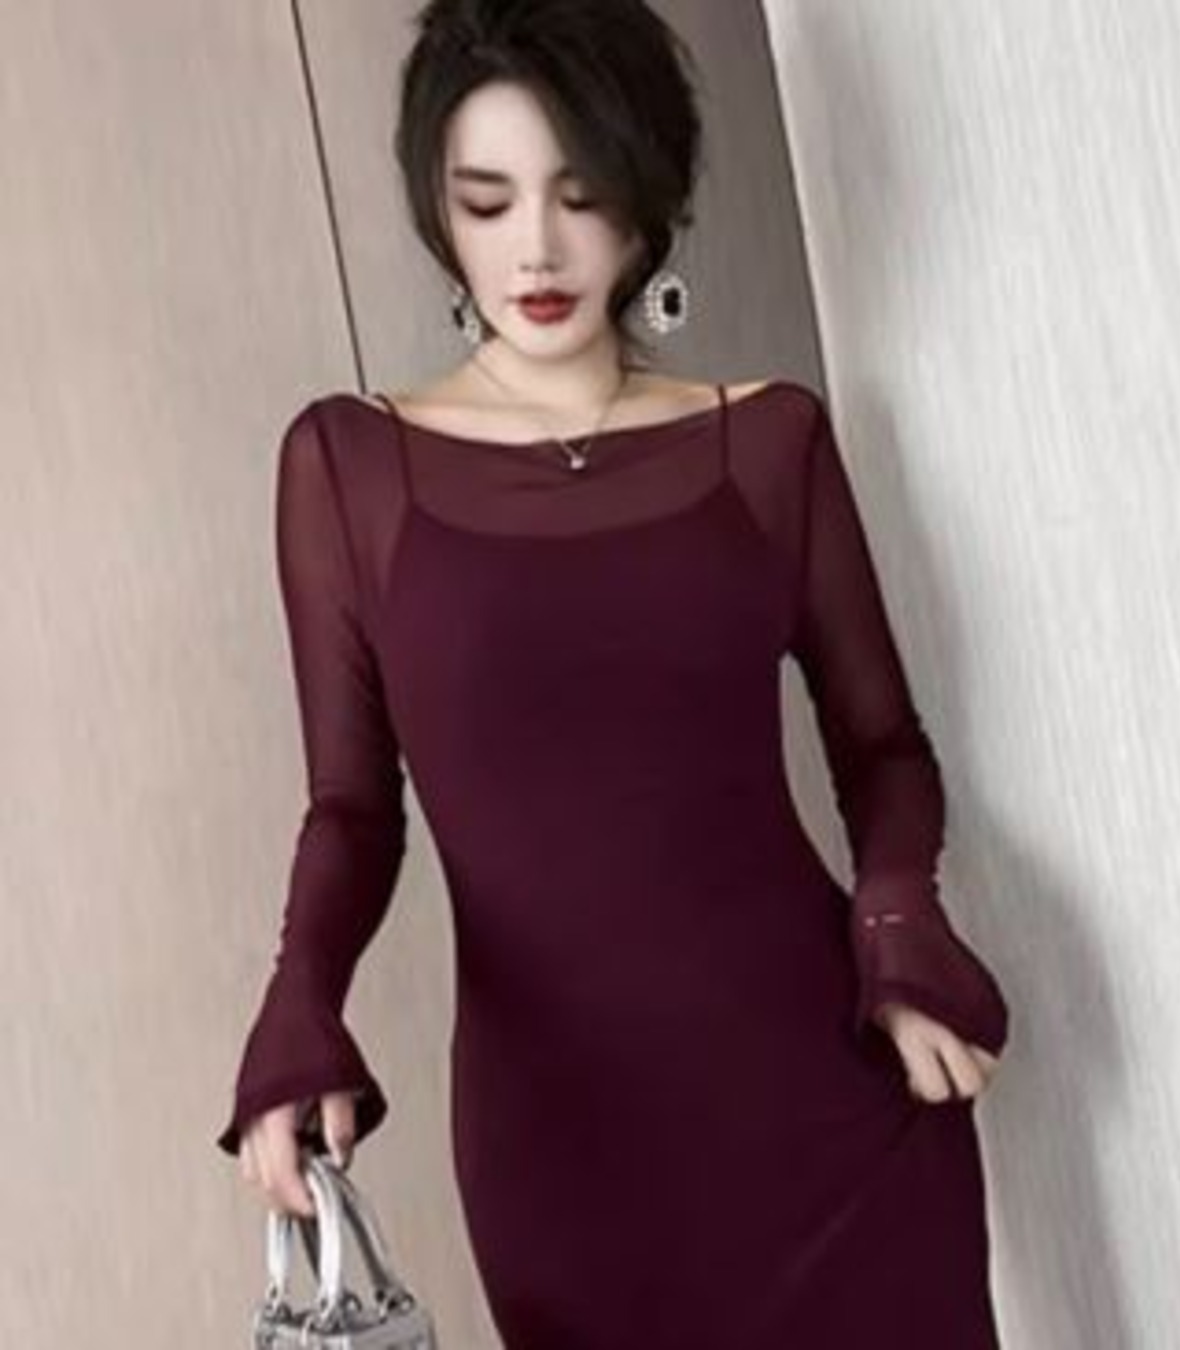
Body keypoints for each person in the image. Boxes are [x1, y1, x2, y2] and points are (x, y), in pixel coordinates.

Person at [216, 0, 1012, 1344]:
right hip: (565, 1151)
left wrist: (895, 919)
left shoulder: (767, 444)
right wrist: (299, 1010)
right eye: (488, 200)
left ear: (646, 201)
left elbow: (883, 747)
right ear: (439, 212)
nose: (537, 246)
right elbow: (353, 809)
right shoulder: (350, 470)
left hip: (832, 1112)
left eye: (581, 194)